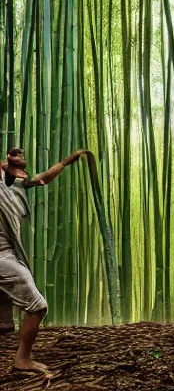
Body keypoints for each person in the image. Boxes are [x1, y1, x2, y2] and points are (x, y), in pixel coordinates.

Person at [0, 147, 87, 373]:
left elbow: (43, 179)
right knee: (37, 306)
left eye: (24, 167)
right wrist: (6, 163)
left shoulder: (18, 186)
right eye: (17, 164)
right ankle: (22, 359)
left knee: (4, 323)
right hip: (1, 257)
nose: (24, 170)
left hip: (8, 253)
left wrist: (68, 160)